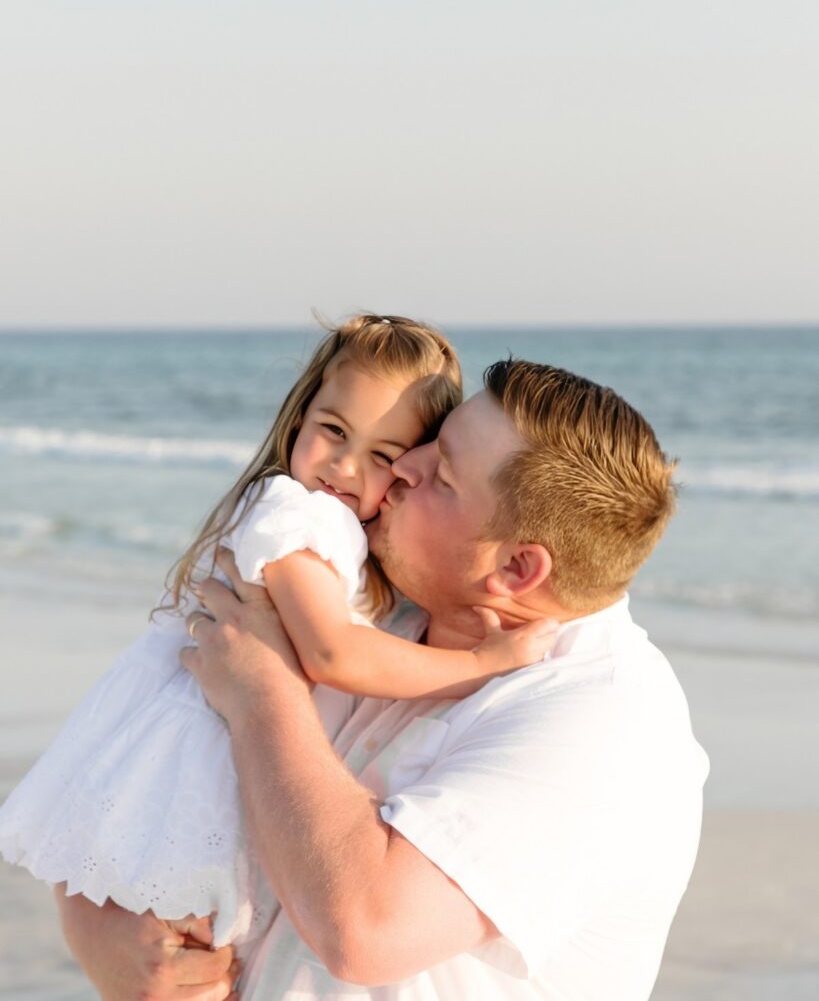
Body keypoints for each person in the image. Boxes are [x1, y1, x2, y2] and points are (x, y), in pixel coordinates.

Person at [57, 358, 709, 1001]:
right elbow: (142, 780)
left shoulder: (604, 725)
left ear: (515, 570)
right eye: (430, 443)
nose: (401, 466)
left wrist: (263, 693)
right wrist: (105, 939)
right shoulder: (368, 619)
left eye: (441, 475)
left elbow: (365, 930)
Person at [0, 316, 553, 957]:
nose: (345, 467)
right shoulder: (297, 512)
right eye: (334, 431)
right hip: (200, 746)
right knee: (190, 933)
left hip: (234, 734)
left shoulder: (347, 531)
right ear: (300, 416)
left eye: (381, 454)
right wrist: (484, 662)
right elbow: (332, 652)